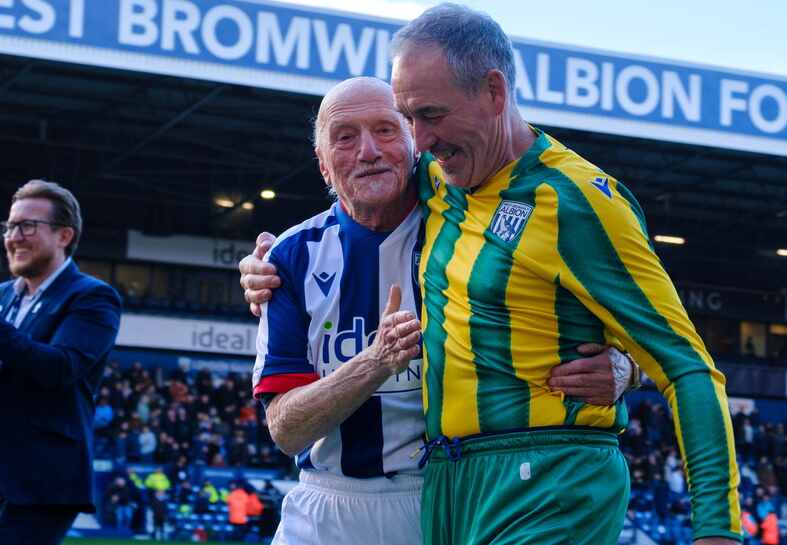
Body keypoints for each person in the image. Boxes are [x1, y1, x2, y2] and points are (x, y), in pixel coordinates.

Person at [388, 3, 740, 544]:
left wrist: (718, 531)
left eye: (432, 115)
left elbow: (688, 367)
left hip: (548, 474)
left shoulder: (578, 202)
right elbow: (354, 193)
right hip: (449, 479)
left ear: (495, 92)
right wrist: (274, 257)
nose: (419, 140)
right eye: (407, 118)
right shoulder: (436, 177)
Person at [243, 77, 632, 544]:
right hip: (324, 505)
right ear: (324, 166)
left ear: (416, 145)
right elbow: (285, 430)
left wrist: (629, 366)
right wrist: (376, 362)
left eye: (386, 130)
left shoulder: (472, 231)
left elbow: (595, 307)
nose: (368, 150)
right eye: (345, 137)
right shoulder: (289, 257)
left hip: (442, 496)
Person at [0, 179, 122, 544]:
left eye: (26, 226)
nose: (14, 236)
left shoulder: (94, 297)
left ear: (64, 236)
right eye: (9, 227)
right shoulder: (4, 296)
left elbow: (60, 368)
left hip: (41, 480)